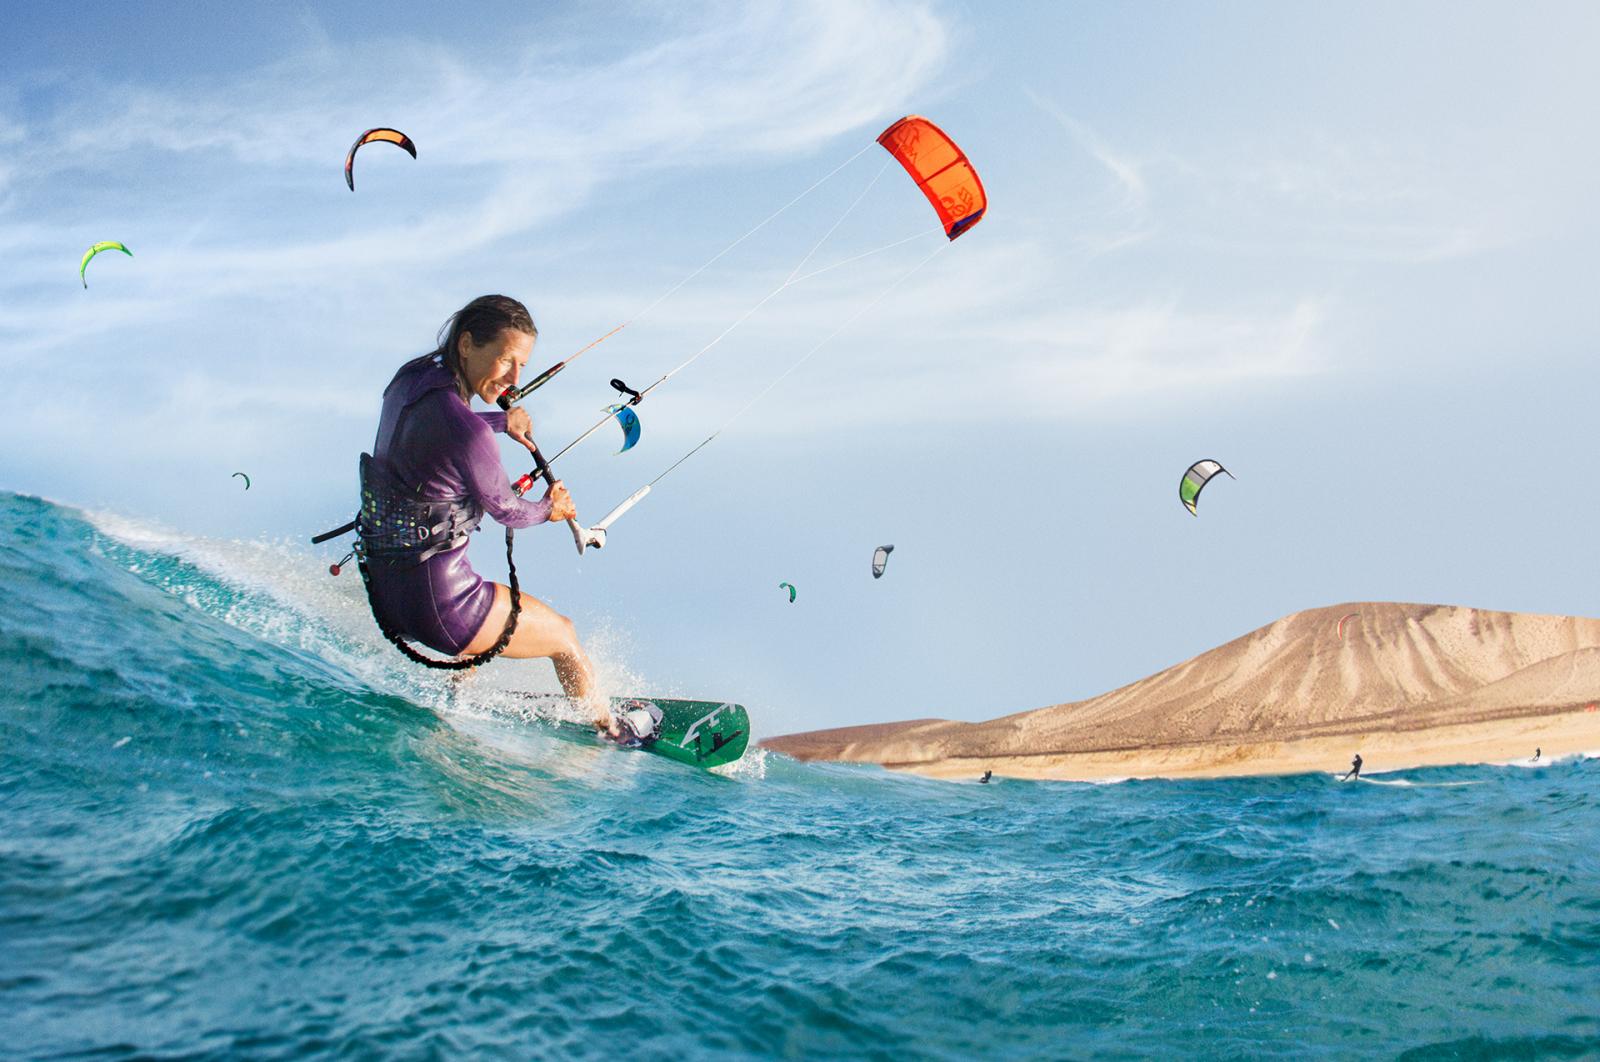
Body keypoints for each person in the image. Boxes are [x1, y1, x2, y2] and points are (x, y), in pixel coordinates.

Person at [358, 294, 607, 726]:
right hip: (442, 609)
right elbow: (507, 510)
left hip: (389, 593)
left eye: (522, 368)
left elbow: (439, 427)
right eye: (505, 360)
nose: (512, 378)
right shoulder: (469, 433)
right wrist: (551, 508)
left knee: (478, 582)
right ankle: (611, 731)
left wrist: (497, 422)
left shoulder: (410, 380)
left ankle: (459, 700)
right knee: (564, 636)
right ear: (467, 344)